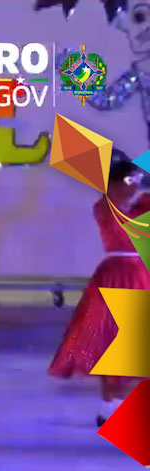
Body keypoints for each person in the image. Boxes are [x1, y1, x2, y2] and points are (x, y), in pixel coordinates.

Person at [49, 151, 150, 425]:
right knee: (110, 339)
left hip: (139, 276)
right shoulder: (106, 207)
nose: (135, 184)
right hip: (116, 276)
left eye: (137, 180)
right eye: (130, 180)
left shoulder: (142, 203)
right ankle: (109, 405)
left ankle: (114, 404)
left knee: (134, 343)